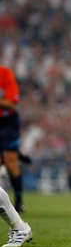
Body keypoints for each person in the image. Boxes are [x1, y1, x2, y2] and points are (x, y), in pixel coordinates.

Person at [0, 66, 24, 212]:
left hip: (8, 123)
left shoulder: (5, 74)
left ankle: (19, 201)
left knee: (10, 161)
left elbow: (11, 103)